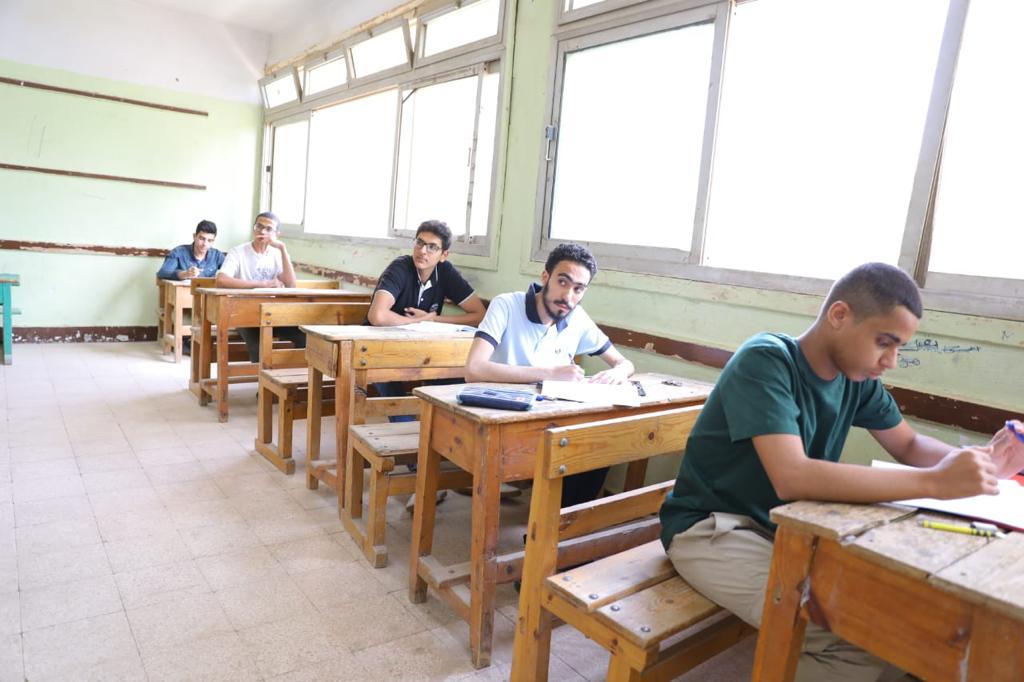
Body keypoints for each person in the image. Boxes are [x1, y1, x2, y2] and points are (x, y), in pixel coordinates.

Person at [658, 262, 1024, 682]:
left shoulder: (857, 378)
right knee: (852, 641)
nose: (891, 361)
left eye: (899, 348)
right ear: (839, 315)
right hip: (712, 530)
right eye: (884, 342)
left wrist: (984, 466)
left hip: (786, 531)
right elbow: (792, 477)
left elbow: (908, 444)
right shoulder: (766, 360)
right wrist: (936, 482)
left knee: (906, 632)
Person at [465, 242, 636, 506]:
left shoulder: (577, 318)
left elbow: (624, 362)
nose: (568, 296)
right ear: (545, 277)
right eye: (562, 282)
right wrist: (550, 373)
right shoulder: (506, 305)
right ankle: (553, 523)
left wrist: (620, 371)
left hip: (551, 417)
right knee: (568, 447)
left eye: (578, 289)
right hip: (502, 418)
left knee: (601, 443)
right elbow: (474, 369)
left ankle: (563, 524)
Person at [367, 219, 487, 510]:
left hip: (426, 355)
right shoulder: (400, 268)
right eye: (420, 243)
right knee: (395, 395)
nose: (423, 251)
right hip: (382, 352)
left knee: (460, 386)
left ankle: (461, 463)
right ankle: (421, 472)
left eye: (432, 247)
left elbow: (479, 314)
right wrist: (416, 323)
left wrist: (434, 319)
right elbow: (377, 316)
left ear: (444, 254)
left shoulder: (446, 272)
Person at [215, 212, 304, 363]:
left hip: (272, 313)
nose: (262, 231)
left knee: (304, 337)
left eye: (268, 229)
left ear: (276, 234)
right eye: (259, 226)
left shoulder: (277, 254)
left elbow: (291, 284)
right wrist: (263, 284)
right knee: (259, 348)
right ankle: (261, 379)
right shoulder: (238, 251)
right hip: (243, 313)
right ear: (254, 228)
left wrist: (283, 249)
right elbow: (221, 280)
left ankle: (292, 376)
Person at [156, 220, 225, 280]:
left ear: (213, 241)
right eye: (202, 239)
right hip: (183, 291)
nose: (205, 244)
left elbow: (230, 272)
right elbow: (163, 273)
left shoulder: (217, 256)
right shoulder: (178, 252)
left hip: (207, 291)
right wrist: (185, 274)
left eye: (210, 240)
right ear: (194, 236)